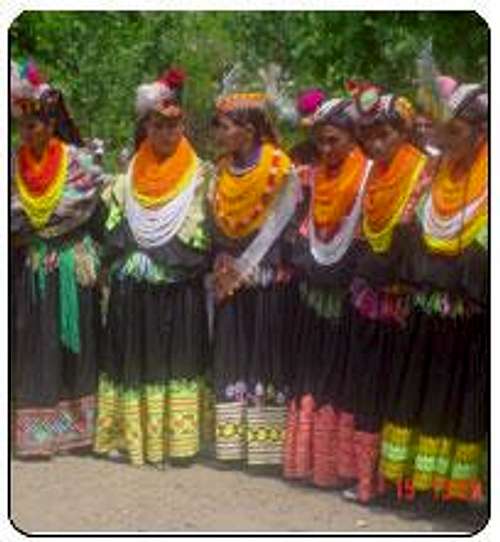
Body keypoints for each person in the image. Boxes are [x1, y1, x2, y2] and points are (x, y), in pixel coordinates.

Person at [93, 67, 211, 467]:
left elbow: (203, 231)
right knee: (133, 358)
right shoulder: (126, 178)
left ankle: (175, 444)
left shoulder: (200, 176)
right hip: (134, 288)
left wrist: (163, 258)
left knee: (172, 360)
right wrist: (131, 255)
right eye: (158, 125)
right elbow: (115, 225)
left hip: (175, 288)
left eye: (174, 125)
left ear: (184, 126)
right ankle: (130, 437)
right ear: (145, 127)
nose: (166, 133)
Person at [380, 76, 488, 503]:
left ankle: (455, 490)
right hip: (428, 313)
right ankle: (417, 486)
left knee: (458, 401)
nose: (444, 141)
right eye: (442, 131)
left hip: (471, 320)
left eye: (455, 133)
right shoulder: (432, 173)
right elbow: (409, 234)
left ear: (483, 134)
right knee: (420, 394)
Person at [334, 83, 432, 503]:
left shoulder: (423, 173)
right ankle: (365, 479)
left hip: (405, 303)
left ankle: (394, 483)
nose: (375, 143)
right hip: (369, 299)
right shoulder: (373, 173)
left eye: (384, 134)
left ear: (404, 133)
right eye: (368, 136)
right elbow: (364, 230)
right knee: (367, 387)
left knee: (397, 389)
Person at [10, 59, 106, 457]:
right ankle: (38, 436)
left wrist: (42, 221)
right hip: (36, 266)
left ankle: (79, 433)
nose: (28, 132)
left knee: (76, 341)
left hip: (73, 262)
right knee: (38, 343)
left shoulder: (77, 162)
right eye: (23, 125)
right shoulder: (12, 165)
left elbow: (88, 203)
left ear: (51, 125)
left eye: (36, 125)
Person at [282, 97, 375, 488]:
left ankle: (341, 469)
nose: (325, 149)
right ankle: (309, 464)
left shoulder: (370, 178)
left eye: (334, 140)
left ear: (354, 138)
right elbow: (296, 228)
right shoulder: (310, 178)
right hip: (314, 297)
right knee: (313, 374)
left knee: (342, 379)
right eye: (320, 142)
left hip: (350, 299)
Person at [207, 85, 301, 466]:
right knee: (232, 351)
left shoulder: (280, 168)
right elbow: (215, 218)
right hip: (231, 273)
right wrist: (223, 256)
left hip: (266, 274)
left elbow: (290, 223)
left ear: (248, 129)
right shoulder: (220, 170)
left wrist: (259, 260)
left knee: (264, 353)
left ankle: (265, 449)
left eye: (224, 125)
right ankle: (232, 445)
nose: (218, 133)